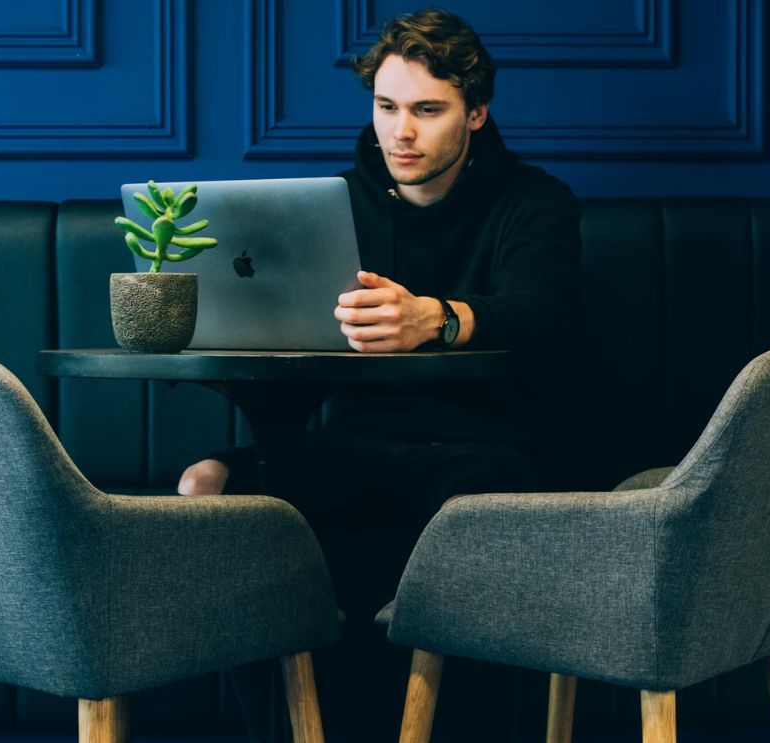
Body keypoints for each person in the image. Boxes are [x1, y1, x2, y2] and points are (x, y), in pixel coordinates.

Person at [179, 7, 581, 741]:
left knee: (472, 510)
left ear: (477, 113)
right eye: (386, 107)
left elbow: (541, 312)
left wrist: (436, 317)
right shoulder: (332, 207)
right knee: (205, 485)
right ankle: (284, 727)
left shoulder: (533, 202)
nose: (400, 132)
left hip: (481, 448)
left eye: (428, 111)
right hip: (354, 443)